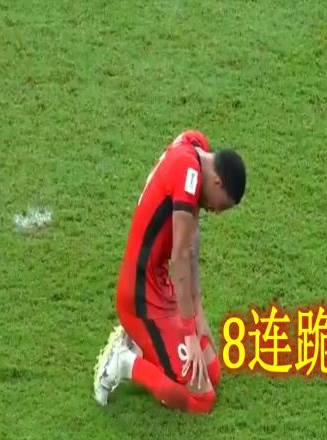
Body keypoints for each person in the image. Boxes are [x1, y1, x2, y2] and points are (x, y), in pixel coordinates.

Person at [93, 130, 246, 414]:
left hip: (162, 285)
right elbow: (180, 256)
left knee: (212, 373)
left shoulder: (195, 145)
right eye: (220, 205)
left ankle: (144, 347)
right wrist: (190, 333)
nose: (215, 211)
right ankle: (123, 362)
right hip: (141, 296)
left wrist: (198, 312)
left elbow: (191, 243)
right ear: (216, 181)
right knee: (203, 400)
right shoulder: (189, 175)